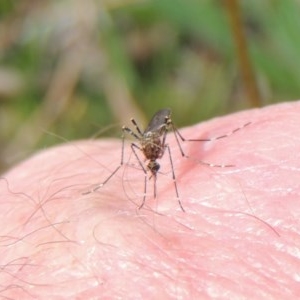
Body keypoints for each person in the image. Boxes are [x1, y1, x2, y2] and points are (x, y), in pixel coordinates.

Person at [1, 101, 299, 299]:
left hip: (156, 141)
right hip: (147, 143)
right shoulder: (146, 153)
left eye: (151, 169)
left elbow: (160, 131)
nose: (151, 170)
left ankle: (186, 153)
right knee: (134, 139)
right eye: (151, 168)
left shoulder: (157, 147)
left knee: (167, 146)